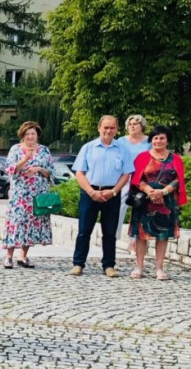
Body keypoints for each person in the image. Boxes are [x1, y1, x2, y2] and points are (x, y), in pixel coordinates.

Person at [70, 115, 134, 277]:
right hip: (89, 193)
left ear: (117, 130)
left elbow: (126, 174)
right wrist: (91, 192)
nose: (108, 131)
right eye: (105, 127)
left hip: (112, 194)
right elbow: (79, 173)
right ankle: (78, 264)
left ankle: (109, 265)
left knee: (110, 232)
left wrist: (113, 192)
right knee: (84, 231)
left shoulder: (122, 150)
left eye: (112, 128)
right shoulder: (88, 147)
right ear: (99, 128)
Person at [128, 125, 186, 280]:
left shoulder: (176, 159)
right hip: (144, 200)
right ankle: (139, 267)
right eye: (155, 138)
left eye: (162, 138)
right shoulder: (142, 157)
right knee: (141, 234)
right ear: (151, 140)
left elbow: (177, 180)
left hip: (166, 202)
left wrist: (163, 191)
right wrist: (150, 191)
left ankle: (159, 268)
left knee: (163, 235)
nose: (158, 141)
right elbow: (136, 179)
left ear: (167, 141)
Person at [2, 122, 54, 268]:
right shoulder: (16, 149)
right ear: (23, 135)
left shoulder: (44, 150)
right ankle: (9, 256)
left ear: (37, 135)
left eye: (33, 134)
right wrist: (25, 159)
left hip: (38, 193)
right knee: (16, 222)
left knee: (32, 224)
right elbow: (9, 169)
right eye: (27, 134)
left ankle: (23, 256)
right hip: (20, 194)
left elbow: (51, 171)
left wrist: (38, 169)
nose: (30, 136)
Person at [115, 114, 151, 249]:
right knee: (119, 206)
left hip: (142, 178)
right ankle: (113, 237)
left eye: (135, 124)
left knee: (139, 208)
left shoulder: (149, 142)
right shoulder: (121, 141)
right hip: (124, 176)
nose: (132, 126)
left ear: (142, 126)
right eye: (130, 124)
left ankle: (134, 240)